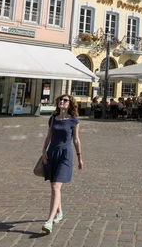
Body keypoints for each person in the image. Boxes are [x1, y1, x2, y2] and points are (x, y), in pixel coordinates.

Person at [41, 94, 83, 234]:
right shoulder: (53, 119)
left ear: (70, 104)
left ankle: (49, 221)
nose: (62, 102)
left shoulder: (73, 121)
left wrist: (79, 157)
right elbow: (49, 137)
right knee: (54, 187)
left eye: (65, 100)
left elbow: (76, 140)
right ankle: (59, 212)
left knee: (55, 186)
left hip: (65, 154)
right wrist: (43, 151)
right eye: (60, 100)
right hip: (52, 153)